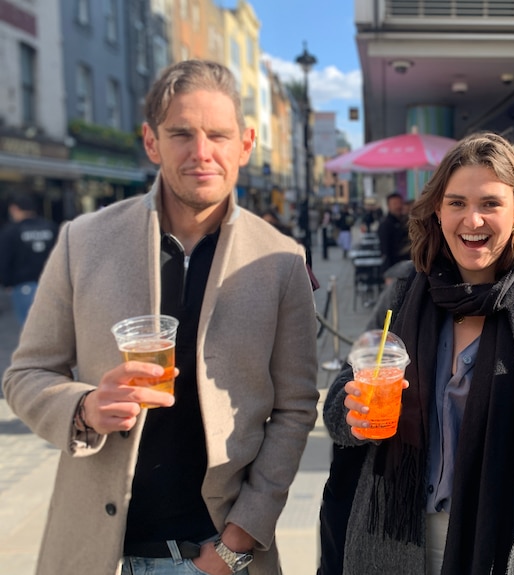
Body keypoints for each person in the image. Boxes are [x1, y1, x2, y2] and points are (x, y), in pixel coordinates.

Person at [2, 60, 320, 575]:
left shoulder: (281, 260)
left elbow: (296, 406)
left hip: (217, 553)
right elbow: (25, 375)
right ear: (151, 142)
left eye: (218, 134)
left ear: (245, 143)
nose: (201, 152)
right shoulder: (82, 241)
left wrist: (238, 542)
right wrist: (84, 407)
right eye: (181, 134)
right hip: (97, 550)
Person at [323, 132, 514, 574]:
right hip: (395, 536)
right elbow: (338, 407)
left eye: (490, 203)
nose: (473, 220)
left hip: (503, 546)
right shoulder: (405, 292)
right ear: (437, 209)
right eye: (457, 203)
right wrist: (353, 412)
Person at [0, 194, 57, 327]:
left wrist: (7, 282)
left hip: (23, 286)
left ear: (14, 209)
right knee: (51, 328)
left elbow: (4, 260)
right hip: (52, 285)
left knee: (30, 331)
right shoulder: (51, 227)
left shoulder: (11, 231)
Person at [377, 192, 410, 272]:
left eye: (400, 203)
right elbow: (384, 250)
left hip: (407, 265)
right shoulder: (385, 224)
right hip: (394, 267)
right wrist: (387, 271)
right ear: (388, 206)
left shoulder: (405, 221)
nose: (398, 206)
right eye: (395, 204)